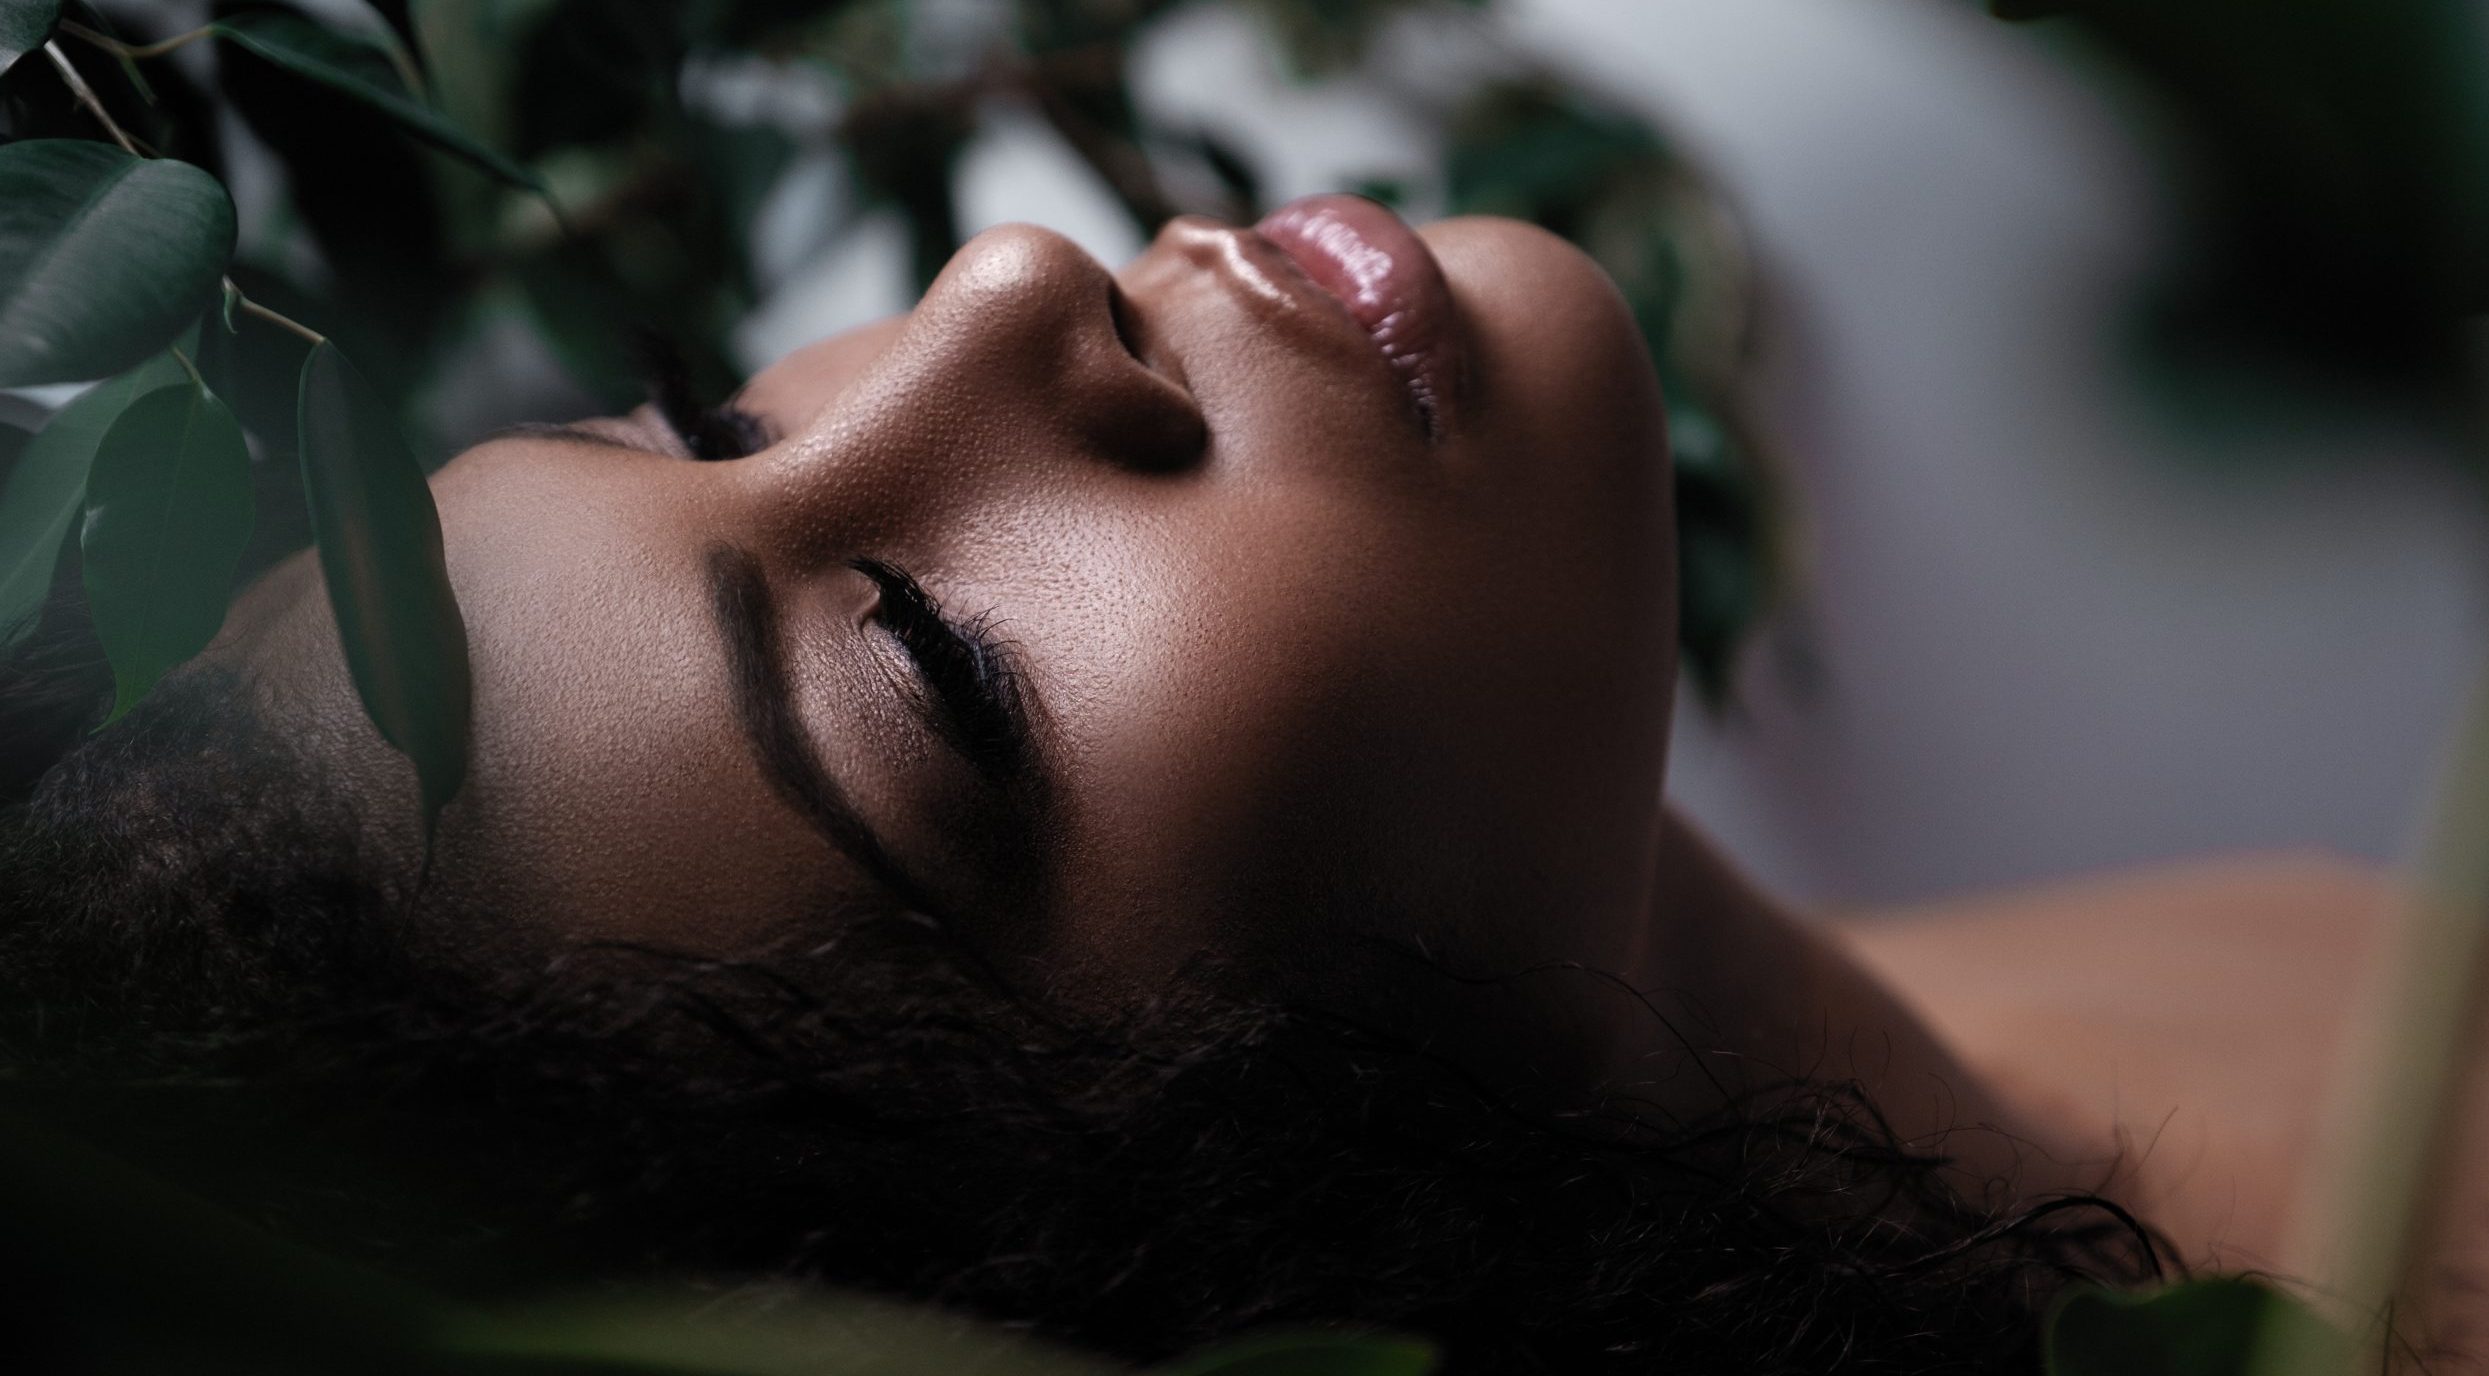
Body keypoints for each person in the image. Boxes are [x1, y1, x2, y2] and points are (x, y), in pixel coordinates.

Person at [0, 195, 2407, 1370]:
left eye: (715, 421)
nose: (1006, 285)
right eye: (931, 661)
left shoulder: (1949, 1035)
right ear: (1227, 1238)